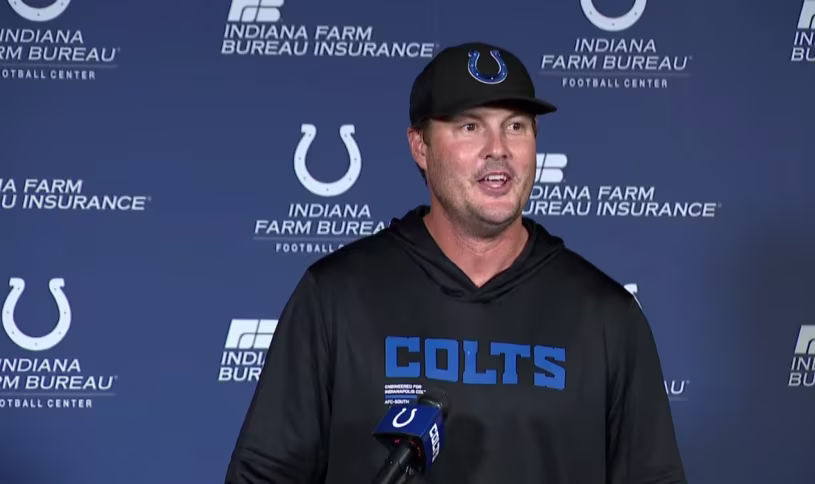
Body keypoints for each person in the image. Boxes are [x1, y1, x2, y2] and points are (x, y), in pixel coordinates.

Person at [224, 42, 687, 484]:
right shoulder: (336, 297)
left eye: (516, 126)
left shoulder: (606, 316)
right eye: (469, 127)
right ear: (420, 146)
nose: (498, 148)